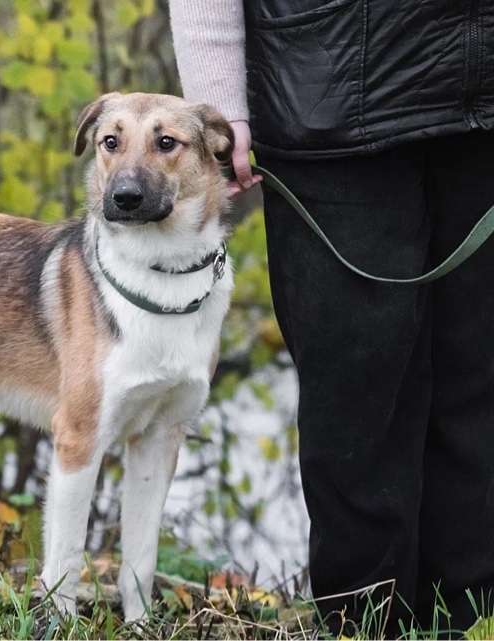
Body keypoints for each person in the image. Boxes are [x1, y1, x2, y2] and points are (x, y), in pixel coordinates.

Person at [169, 1, 494, 636]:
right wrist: (216, 103)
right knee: (358, 403)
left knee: (481, 385)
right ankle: (366, 626)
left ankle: (474, 622)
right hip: (327, 94)